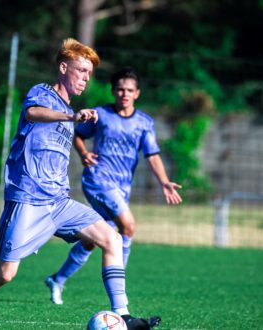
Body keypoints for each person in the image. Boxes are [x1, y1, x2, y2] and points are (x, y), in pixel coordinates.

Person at [0, 39, 161, 330]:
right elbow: (32, 114)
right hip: (27, 198)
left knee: (112, 238)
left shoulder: (69, 110)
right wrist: (71, 116)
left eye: (89, 73)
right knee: (5, 273)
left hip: (59, 202)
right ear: (64, 68)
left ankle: (124, 315)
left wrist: (76, 126)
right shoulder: (43, 93)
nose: (86, 78)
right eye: (81, 71)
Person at [44, 67, 182, 306]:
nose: (124, 94)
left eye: (129, 90)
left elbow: (152, 155)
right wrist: (84, 153)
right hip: (98, 181)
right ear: (113, 91)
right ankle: (120, 290)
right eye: (120, 89)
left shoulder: (144, 123)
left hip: (121, 188)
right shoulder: (100, 115)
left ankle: (57, 279)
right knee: (127, 226)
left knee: (91, 239)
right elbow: (78, 134)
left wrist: (164, 182)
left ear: (137, 93)